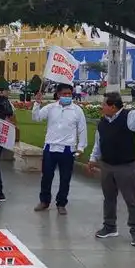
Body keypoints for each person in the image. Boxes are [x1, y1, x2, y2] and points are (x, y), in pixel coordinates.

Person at [87, 92, 135, 247]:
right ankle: (109, 226)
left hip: (126, 166)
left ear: (113, 107)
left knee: (131, 200)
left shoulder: (130, 117)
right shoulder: (102, 122)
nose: (102, 107)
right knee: (109, 198)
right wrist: (93, 158)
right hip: (107, 165)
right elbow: (98, 142)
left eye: (104, 104)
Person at [30, 83, 88, 214]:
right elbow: (36, 118)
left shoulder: (77, 110)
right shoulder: (51, 108)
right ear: (58, 94)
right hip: (50, 147)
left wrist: (81, 147)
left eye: (69, 94)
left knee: (65, 178)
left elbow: (82, 129)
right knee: (46, 176)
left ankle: (61, 203)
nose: (67, 96)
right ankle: (44, 201)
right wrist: (37, 104)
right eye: (64, 94)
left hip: (68, 149)